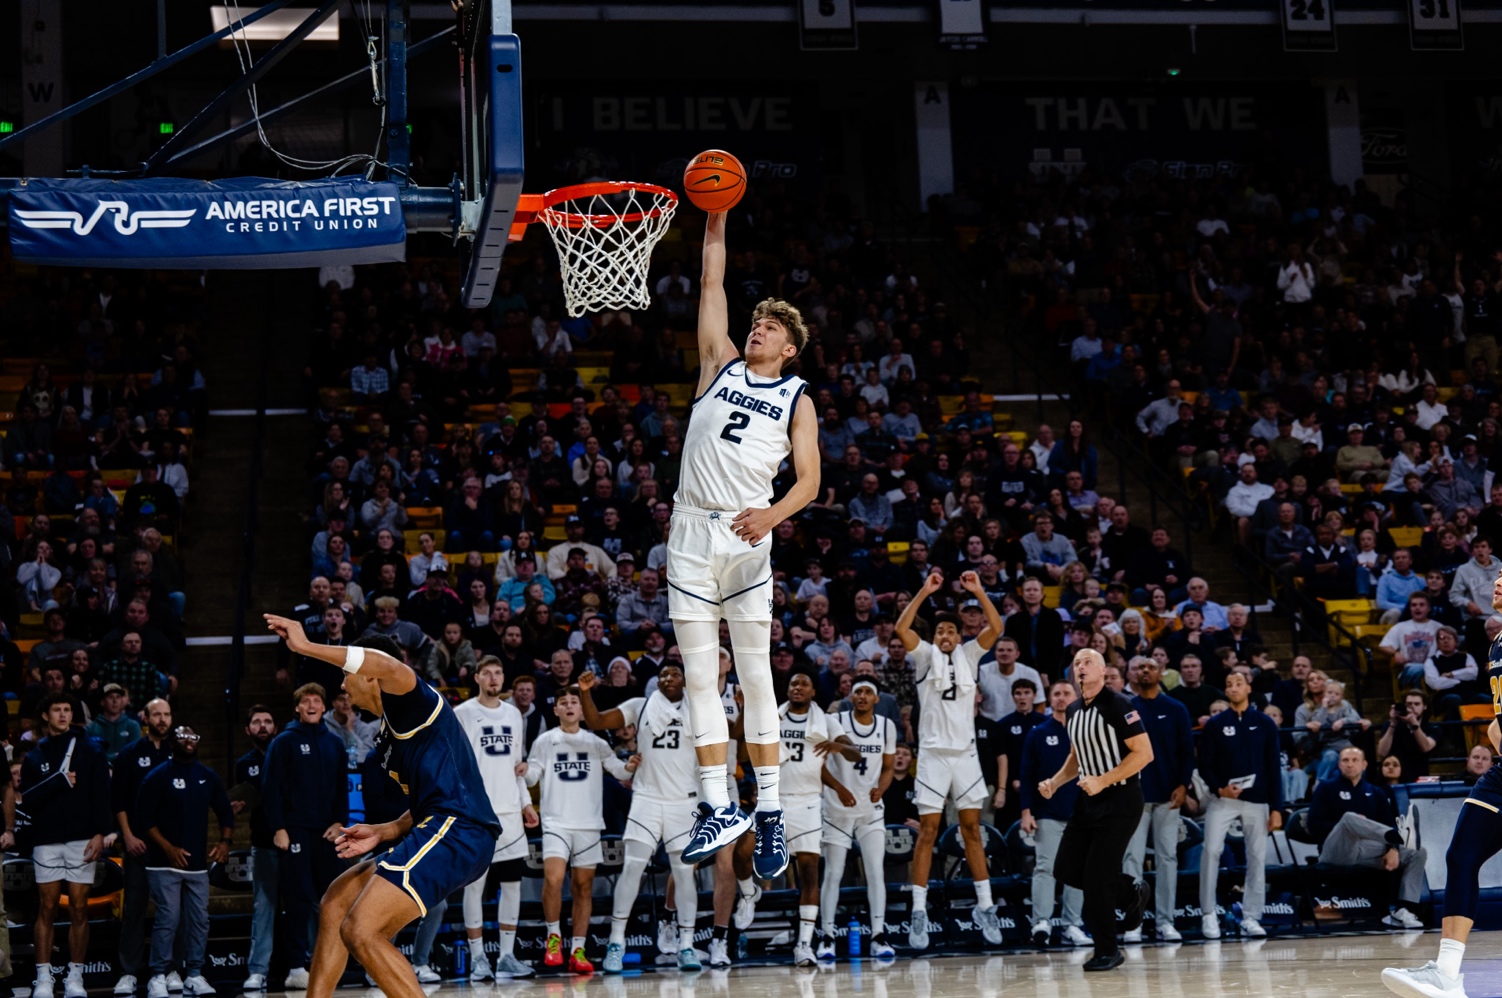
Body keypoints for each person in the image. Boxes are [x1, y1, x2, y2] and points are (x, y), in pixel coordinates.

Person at [672, 210, 820, 882]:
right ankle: (716, 807)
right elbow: (711, 281)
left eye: (771, 327)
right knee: (702, 679)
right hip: (688, 531)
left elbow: (812, 480)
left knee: (755, 677)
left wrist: (773, 516)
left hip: (745, 532)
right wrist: (717, 216)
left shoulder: (796, 395)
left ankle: (771, 815)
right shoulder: (718, 363)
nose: (757, 328)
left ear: (789, 348)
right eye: (756, 322)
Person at [261, 616, 502, 998]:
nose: (341, 683)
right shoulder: (388, 738)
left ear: (369, 674)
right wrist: (384, 830)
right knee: (336, 902)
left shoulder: (413, 700)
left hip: (461, 829)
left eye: (346, 674)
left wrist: (305, 647)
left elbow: (388, 663)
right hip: (439, 827)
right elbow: (423, 804)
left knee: (361, 929)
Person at [1383, 565, 1502, 998]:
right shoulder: (1496, 645)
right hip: (1500, 775)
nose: (1499, 583)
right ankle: (1447, 974)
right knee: (1461, 856)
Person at [896, 569, 1006, 949]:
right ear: (934, 636)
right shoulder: (924, 655)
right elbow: (901, 627)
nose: (945, 636)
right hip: (931, 757)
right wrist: (924, 590)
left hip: (965, 756)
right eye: (940, 631)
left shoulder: (971, 654)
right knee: (927, 833)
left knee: (972, 831)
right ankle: (919, 912)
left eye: (951, 632)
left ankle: (986, 906)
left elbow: (997, 625)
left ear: (959, 636)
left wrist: (978, 590)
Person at [574, 664, 702, 973]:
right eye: (662, 675)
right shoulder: (639, 705)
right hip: (646, 798)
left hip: (683, 800)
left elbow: (732, 732)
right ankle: (616, 942)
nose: (666, 679)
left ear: (685, 680)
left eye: (673, 674)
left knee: (684, 874)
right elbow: (596, 721)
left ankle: (686, 944)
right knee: (632, 869)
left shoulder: (700, 708)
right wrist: (586, 693)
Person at [1037, 649, 1154, 972]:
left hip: (1121, 798)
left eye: (1088, 662)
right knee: (1065, 869)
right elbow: (1077, 756)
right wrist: (1055, 782)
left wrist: (1104, 780)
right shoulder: (1073, 709)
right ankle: (1130, 890)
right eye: (1077, 663)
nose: (1081, 667)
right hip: (1088, 801)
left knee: (1098, 879)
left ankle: (1108, 951)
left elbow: (1144, 754)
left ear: (1103, 670)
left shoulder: (1119, 705)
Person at [526, 687, 637, 973]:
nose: (570, 706)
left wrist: (631, 765)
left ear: (581, 709)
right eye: (564, 702)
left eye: (575, 701)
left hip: (588, 824)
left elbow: (618, 771)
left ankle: (578, 949)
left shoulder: (595, 742)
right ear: (556, 710)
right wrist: (521, 769)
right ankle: (553, 938)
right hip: (556, 823)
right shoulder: (545, 741)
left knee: (583, 888)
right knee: (553, 879)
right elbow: (531, 777)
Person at [453, 658, 539, 981]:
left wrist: (527, 804)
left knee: (512, 886)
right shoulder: (462, 714)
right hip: (476, 816)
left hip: (511, 815)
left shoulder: (514, 714)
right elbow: (456, 765)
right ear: (476, 678)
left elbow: (518, 765)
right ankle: (478, 959)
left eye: (498, 673)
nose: (493, 678)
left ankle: (506, 956)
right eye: (487, 673)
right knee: (473, 887)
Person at [136, 725, 234, 998]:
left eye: (193, 736)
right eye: (183, 737)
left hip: (197, 865)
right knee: (168, 917)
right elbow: (144, 820)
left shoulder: (206, 775)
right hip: (162, 862)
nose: (189, 741)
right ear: (171, 743)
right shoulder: (157, 777)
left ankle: (194, 973)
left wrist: (225, 843)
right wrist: (168, 848)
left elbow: (225, 812)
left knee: (199, 920)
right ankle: (158, 974)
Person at [260, 683, 347, 989]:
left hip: (326, 832)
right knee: (296, 899)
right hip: (294, 831)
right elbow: (270, 788)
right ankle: (296, 966)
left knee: (331, 900)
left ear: (324, 707)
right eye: (306, 701)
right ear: (297, 707)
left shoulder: (334, 743)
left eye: (316, 701)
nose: (311, 705)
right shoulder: (284, 742)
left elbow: (341, 788)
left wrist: (339, 822)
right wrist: (279, 828)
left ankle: (330, 961)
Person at [22, 695, 111, 998]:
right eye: (57, 710)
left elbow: (102, 793)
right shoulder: (35, 756)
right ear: (45, 716)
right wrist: (58, 781)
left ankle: (76, 977)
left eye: (67, 710)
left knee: (78, 908)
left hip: (82, 838)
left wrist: (101, 832)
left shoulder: (91, 750)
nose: (63, 714)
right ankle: (44, 978)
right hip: (45, 840)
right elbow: (28, 801)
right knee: (46, 908)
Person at [772, 672, 857, 965]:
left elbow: (855, 754)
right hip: (773, 799)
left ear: (813, 692)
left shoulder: (827, 722)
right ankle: (747, 894)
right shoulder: (774, 716)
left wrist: (838, 747)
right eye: (793, 683)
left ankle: (804, 944)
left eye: (803, 683)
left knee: (809, 874)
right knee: (746, 855)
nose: (797, 687)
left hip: (807, 802)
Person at [1196, 671, 1283, 939]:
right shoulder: (1215, 724)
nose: (1233, 688)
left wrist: (1277, 807)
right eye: (1229, 685)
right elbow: (1205, 764)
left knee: (1257, 856)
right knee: (1211, 850)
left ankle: (1251, 917)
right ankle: (1209, 914)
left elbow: (1273, 767)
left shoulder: (1265, 723)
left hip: (1257, 801)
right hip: (1223, 799)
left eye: (1238, 684)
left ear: (1248, 687)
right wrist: (1219, 787)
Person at [816, 677, 897, 959]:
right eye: (858, 691)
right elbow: (818, 765)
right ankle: (826, 937)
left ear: (877, 699)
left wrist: (881, 788)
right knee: (834, 873)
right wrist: (838, 788)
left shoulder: (887, 726)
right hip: (837, 810)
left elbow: (888, 766)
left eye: (868, 692)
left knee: (876, 871)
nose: (862, 696)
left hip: (871, 811)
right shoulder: (835, 721)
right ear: (850, 696)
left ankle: (878, 935)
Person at [1307, 747, 1426, 929]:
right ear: (1339, 764)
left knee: (1417, 852)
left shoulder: (1375, 792)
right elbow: (1313, 825)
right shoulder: (1326, 788)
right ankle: (1393, 836)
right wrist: (1349, 827)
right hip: (1335, 851)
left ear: (1364, 765)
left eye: (1354, 760)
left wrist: (1393, 849)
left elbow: (1388, 822)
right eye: (1345, 760)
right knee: (1349, 818)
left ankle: (1403, 910)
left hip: (1365, 851)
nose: (1349, 764)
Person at [1122, 655, 1194, 942]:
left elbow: (1187, 751)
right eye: (1140, 667)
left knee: (1167, 858)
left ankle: (1166, 921)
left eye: (1150, 667)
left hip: (1168, 795)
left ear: (1160, 671)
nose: (1145, 671)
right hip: (1135, 797)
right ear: (1133, 673)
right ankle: (1134, 921)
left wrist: (1183, 784)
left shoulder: (1176, 708)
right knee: (1132, 859)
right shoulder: (1127, 709)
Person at [1020, 680, 1089, 947]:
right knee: (1046, 867)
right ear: (1049, 700)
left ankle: (1073, 925)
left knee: (1078, 870)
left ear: (1076, 698)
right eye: (1056, 694)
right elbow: (1026, 776)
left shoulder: (1086, 731)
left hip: (1081, 812)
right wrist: (1026, 811)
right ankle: (1042, 922)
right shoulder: (1038, 733)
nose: (1061, 698)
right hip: (1048, 812)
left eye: (1066, 693)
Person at [113, 698, 174, 997]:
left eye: (166, 714)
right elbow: (120, 801)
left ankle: (171, 968)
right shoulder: (129, 754)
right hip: (138, 845)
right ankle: (128, 972)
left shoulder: (181, 751)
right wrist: (127, 836)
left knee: (173, 911)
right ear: (145, 718)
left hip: (173, 847)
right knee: (135, 908)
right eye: (157, 715)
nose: (162, 719)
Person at [233, 706, 279, 992]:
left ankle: (312, 962)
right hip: (262, 842)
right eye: (257, 722)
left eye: (268, 721)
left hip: (295, 842)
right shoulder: (243, 763)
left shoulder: (286, 752)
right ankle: (258, 970)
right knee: (263, 908)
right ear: (247, 729)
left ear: (276, 726)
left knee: (307, 905)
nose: (263, 726)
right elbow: (243, 798)